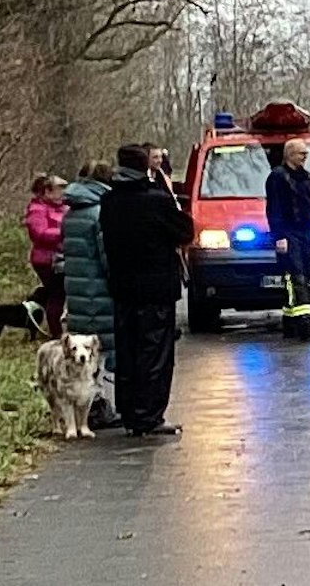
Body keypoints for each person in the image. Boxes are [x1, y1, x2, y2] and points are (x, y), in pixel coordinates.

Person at [100, 144, 191, 437]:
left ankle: (129, 412)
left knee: (127, 351)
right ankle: (149, 416)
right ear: (145, 168)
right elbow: (184, 231)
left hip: (123, 287)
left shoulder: (110, 201)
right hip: (155, 287)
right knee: (154, 353)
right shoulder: (156, 200)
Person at [60, 161, 121, 430]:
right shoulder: (100, 214)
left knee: (83, 351)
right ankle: (100, 406)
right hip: (100, 293)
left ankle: (87, 405)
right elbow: (107, 257)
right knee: (103, 352)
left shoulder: (71, 213)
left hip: (77, 293)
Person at [265, 138, 310, 341]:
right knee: (295, 274)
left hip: (305, 232)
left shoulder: (307, 177)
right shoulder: (278, 177)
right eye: (301, 153)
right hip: (288, 233)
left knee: (305, 274)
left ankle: (291, 319)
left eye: (306, 153)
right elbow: (274, 209)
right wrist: (279, 236)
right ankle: (305, 320)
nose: (305, 157)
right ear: (289, 154)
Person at [23, 174, 69, 336]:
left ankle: (59, 330)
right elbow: (39, 234)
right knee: (56, 295)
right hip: (46, 260)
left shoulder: (64, 207)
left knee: (60, 295)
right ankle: (56, 334)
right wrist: (64, 232)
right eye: (60, 189)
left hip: (62, 257)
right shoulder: (37, 209)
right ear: (47, 191)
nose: (63, 192)